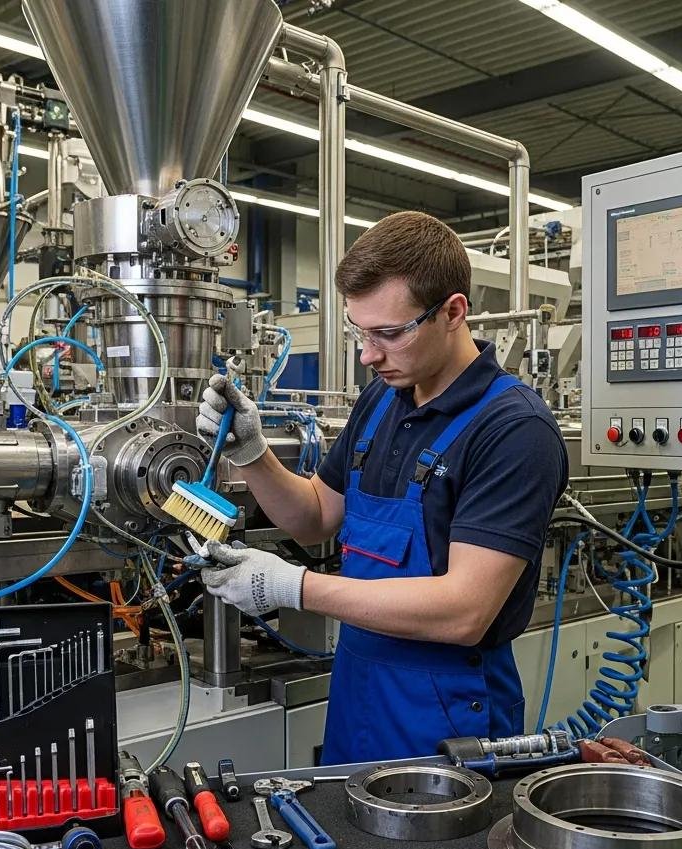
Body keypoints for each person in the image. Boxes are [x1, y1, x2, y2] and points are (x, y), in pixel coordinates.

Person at [197, 211, 568, 764]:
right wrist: (253, 455)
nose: (369, 356)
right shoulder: (382, 400)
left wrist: (293, 587)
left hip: (448, 714)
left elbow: (464, 612)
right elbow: (317, 514)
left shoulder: (514, 430)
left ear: (453, 312)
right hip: (359, 693)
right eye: (360, 333)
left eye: (389, 334)